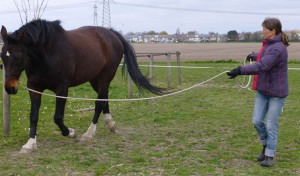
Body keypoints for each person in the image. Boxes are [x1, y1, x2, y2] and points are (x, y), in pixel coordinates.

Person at [227, 17, 289, 167]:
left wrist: (241, 70)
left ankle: (269, 155)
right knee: (256, 121)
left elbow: (263, 65)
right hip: (263, 90)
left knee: (271, 125)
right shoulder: (268, 44)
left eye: (264, 29)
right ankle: (265, 145)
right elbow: (263, 56)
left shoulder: (278, 47)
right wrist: (253, 55)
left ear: (272, 31)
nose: (262, 32)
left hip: (276, 93)